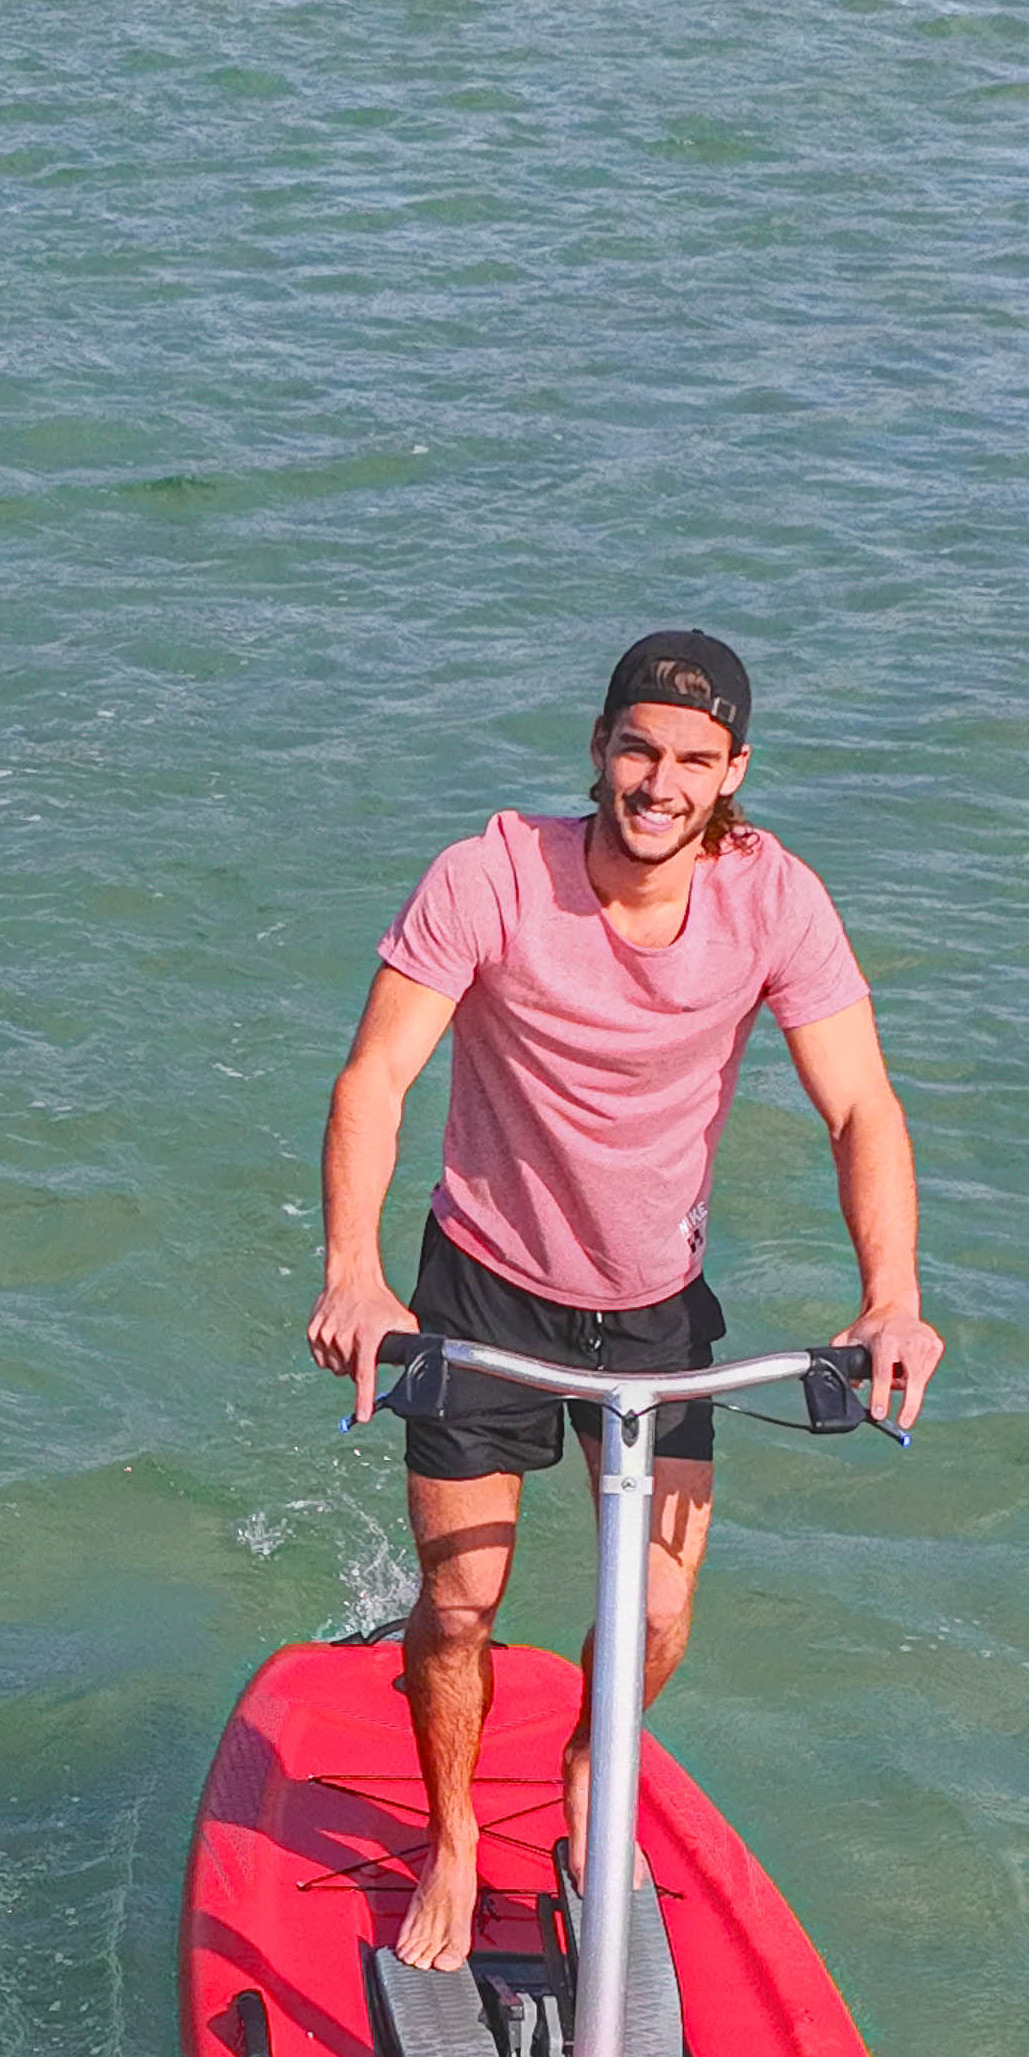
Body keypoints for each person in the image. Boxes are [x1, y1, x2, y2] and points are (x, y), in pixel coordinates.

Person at [303, 630, 940, 1969]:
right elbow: (376, 1076)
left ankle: (592, 1784)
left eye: (695, 760)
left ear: (733, 773)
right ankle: (460, 1834)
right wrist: (354, 1273)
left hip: (654, 1309)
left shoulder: (773, 900)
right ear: (599, 748)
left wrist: (891, 1299)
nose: (662, 781)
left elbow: (859, 1105)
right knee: (466, 1597)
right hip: (481, 1288)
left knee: (652, 1610)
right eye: (640, 749)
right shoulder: (488, 877)